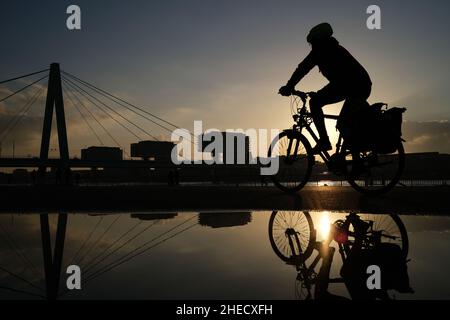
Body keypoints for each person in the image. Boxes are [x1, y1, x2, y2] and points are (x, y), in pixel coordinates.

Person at [279, 23, 372, 153]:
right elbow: (305, 70)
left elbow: (303, 69)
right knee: (320, 103)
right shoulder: (329, 49)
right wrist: (318, 93)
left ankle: (326, 142)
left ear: (319, 40)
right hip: (350, 86)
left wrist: (289, 87)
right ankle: (336, 147)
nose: (312, 46)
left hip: (357, 87)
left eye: (313, 42)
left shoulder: (327, 51)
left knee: (342, 122)